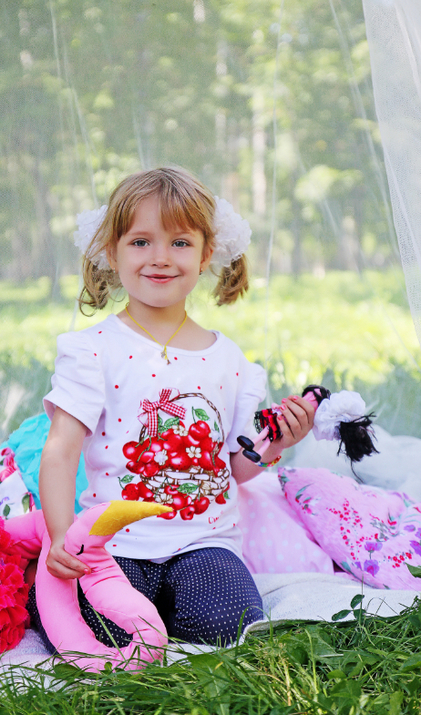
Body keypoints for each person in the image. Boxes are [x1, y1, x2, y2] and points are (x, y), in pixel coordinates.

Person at [39, 166, 314, 646]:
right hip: (113, 543)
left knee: (228, 626)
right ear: (112, 251)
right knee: (96, 627)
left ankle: (174, 606)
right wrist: (63, 538)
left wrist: (276, 445)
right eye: (140, 242)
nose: (160, 258)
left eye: (180, 242)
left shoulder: (229, 360)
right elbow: (61, 451)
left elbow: (231, 469)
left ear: (207, 253)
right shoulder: (92, 350)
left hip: (203, 543)